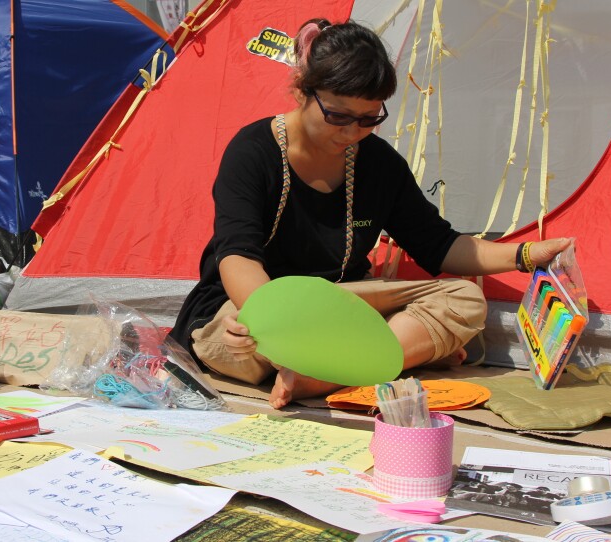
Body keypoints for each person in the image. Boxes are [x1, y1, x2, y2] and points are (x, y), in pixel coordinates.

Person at [168, 18, 570, 409]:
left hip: (342, 305)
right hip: (257, 307)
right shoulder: (253, 151)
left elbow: (439, 244)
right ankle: (377, 359)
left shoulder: (378, 163)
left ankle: (324, 375)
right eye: (338, 116)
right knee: (231, 343)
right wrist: (267, 323)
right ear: (302, 91)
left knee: (465, 299)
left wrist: (524, 256)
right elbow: (237, 255)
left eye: (368, 120)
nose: (350, 133)